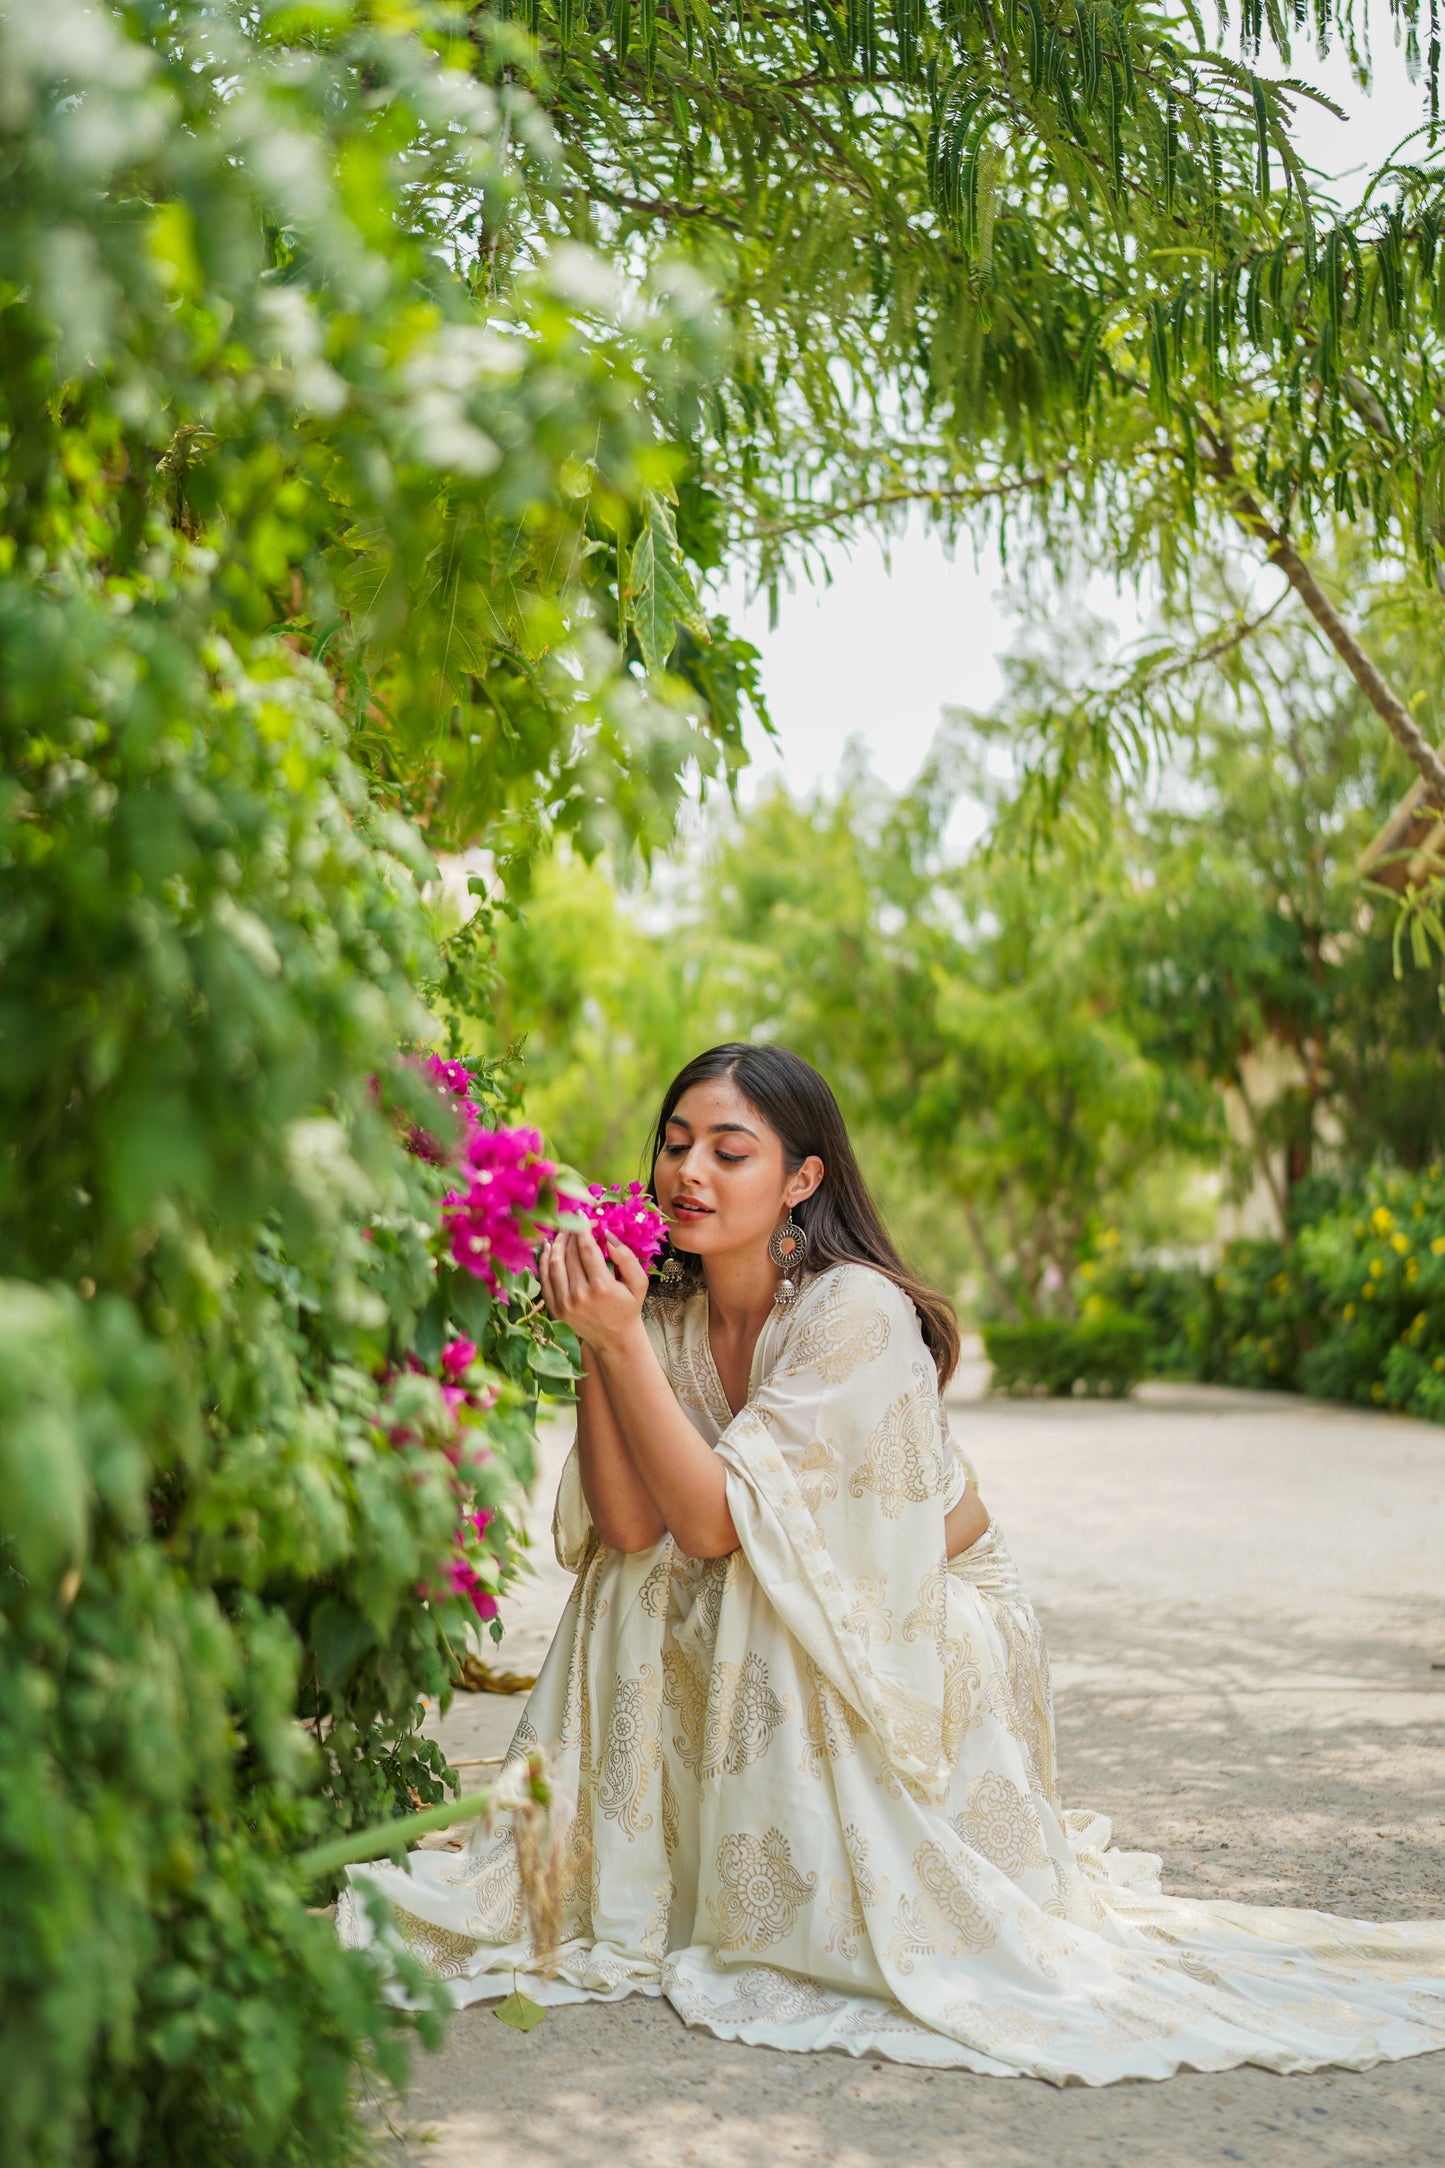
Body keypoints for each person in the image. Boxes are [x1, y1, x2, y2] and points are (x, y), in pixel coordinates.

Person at [339, 1043, 1445, 2082]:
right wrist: (599, 1337)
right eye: (675, 1141)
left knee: (747, 1581)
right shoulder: (661, 1308)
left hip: (929, 1608)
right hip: (777, 1581)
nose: (687, 1170)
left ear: (799, 1180)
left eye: (730, 1151)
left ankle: (793, 1904)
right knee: (639, 1585)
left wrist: (620, 1341)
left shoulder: (852, 1312)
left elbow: (723, 1529)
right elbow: (629, 1535)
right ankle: (629, 1880)